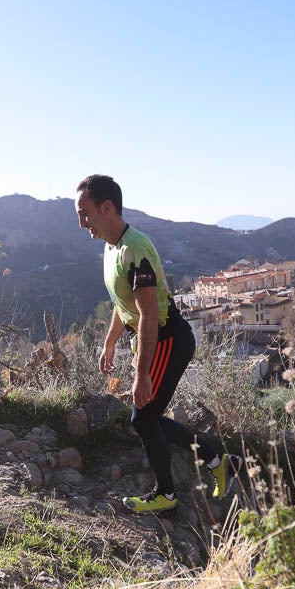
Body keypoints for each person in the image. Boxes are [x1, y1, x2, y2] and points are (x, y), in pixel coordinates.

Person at [75, 174, 240, 513]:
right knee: (147, 418)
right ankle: (218, 462)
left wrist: (141, 375)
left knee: (143, 418)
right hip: (152, 338)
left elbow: (149, 314)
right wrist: (109, 343)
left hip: (166, 338)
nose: (81, 223)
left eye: (84, 213)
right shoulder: (112, 247)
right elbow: (124, 304)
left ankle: (167, 495)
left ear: (106, 208)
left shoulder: (134, 249)